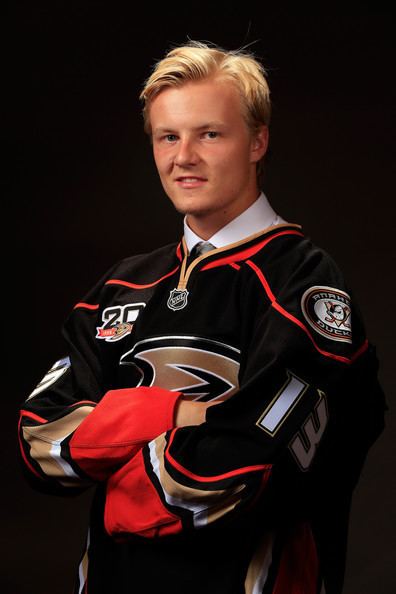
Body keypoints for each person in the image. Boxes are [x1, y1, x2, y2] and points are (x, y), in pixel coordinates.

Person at [19, 41, 386, 594]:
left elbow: (254, 462)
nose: (183, 156)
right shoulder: (120, 285)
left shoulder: (306, 282)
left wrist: (115, 448)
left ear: (258, 141)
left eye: (209, 134)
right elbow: (38, 439)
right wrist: (176, 412)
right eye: (168, 136)